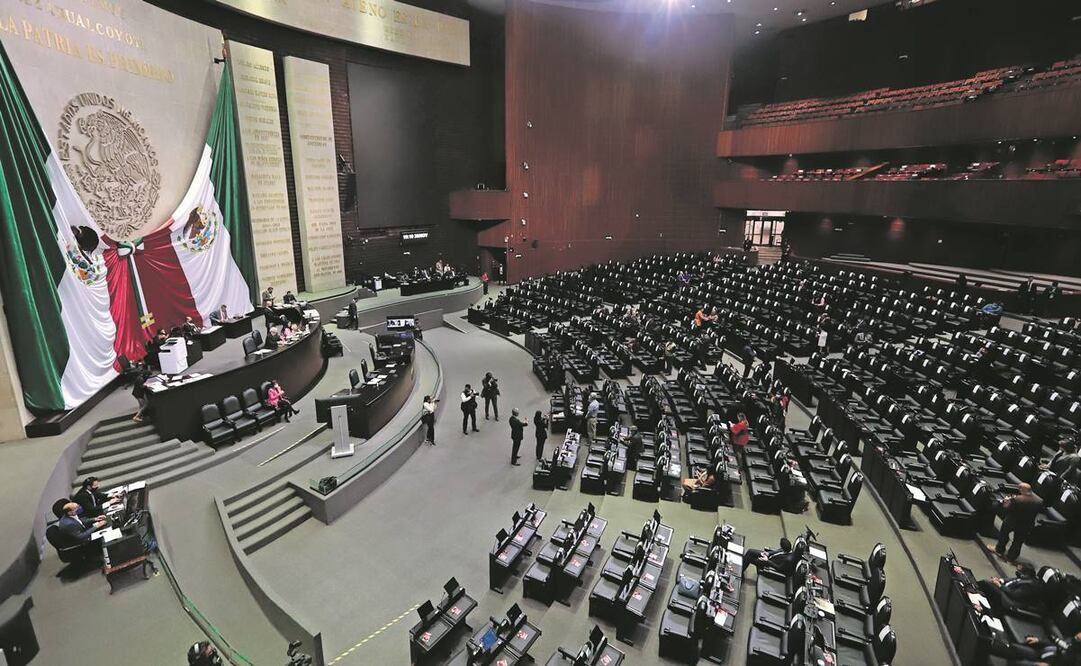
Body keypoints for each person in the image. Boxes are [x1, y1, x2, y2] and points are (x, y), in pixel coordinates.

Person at [995, 482, 1044, 562]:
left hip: (1011, 522)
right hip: (1026, 525)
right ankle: (1011, 557)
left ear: (1022, 489)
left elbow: (1007, 509)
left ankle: (999, 550)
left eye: (1019, 489)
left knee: (1003, 534)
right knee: (1018, 541)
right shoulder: (1039, 501)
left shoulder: (1018, 499)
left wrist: (1006, 502)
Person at [977, 564, 1051, 614]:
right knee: (990, 584)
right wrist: (1001, 580)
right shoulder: (1027, 577)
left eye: (1019, 571)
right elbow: (1013, 579)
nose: (1017, 573)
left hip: (1011, 601)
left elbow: (1014, 594)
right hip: (1008, 593)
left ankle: (974, 589)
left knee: (986, 583)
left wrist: (1000, 586)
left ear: (1025, 573)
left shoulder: (1029, 585)